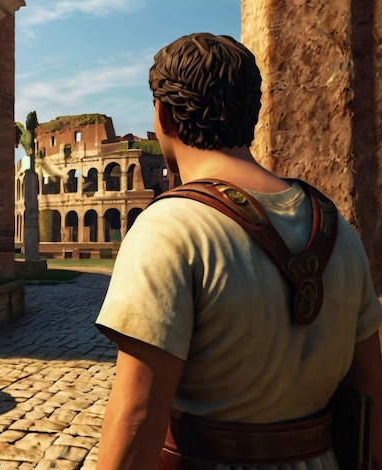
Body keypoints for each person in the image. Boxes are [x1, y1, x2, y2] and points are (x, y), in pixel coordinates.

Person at [94, 32, 382, 469]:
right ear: (253, 113)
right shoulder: (338, 229)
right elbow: (369, 393)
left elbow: (137, 417)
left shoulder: (168, 229)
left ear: (163, 115)